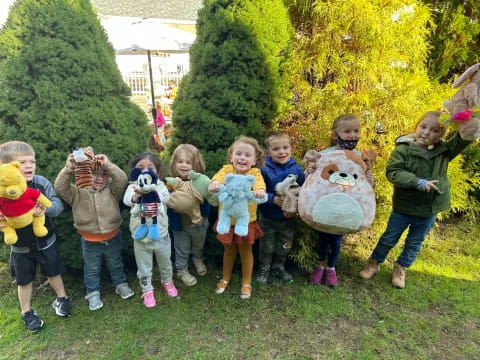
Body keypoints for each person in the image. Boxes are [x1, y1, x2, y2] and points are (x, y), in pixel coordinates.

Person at [359, 111, 473, 288]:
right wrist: (416, 181)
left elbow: (464, 137)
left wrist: (467, 120)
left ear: (442, 135)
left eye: (435, 130)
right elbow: (393, 172)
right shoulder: (403, 149)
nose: (427, 132)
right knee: (389, 237)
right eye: (423, 127)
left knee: (415, 241)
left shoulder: (444, 150)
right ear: (416, 127)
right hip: (404, 206)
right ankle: (374, 263)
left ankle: (401, 267)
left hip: (429, 208)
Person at [0, 141, 70, 332]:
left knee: (53, 270)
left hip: (45, 241)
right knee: (24, 280)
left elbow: (57, 205)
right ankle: (27, 312)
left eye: (32, 161)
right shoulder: (2, 189)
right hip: (20, 247)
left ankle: (62, 298)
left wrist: (44, 210)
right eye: (22, 162)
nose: (29, 165)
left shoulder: (40, 183)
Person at [55, 152, 133, 311]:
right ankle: (92, 292)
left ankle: (120, 283)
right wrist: (68, 169)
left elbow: (122, 179)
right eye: (94, 174)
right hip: (90, 241)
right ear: (85, 174)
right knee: (91, 268)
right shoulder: (77, 192)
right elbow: (60, 187)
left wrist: (108, 165)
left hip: (113, 237)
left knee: (115, 263)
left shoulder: (113, 190)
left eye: (104, 174)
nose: (99, 178)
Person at [309, 114, 374, 287]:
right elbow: (314, 180)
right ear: (335, 134)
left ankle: (331, 267)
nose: (353, 135)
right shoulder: (324, 155)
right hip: (326, 205)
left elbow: (366, 186)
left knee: (336, 241)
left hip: (346, 207)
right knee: (322, 239)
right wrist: (310, 169)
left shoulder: (360, 157)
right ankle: (320, 265)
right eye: (347, 131)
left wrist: (369, 176)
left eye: (356, 131)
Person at [208, 136, 266, 299]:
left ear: (254, 160)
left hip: (246, 222)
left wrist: (260, 190)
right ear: (231, 157)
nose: (242, 158)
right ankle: (225, 278)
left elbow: (260, 185)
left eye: (248, 155)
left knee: (246, 251)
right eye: (238, 154)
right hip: (227, 220)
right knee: (228, 250)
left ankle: (246, 282)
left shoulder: (254, 173)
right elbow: (217, 179)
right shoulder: (227, 170)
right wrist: (214, 184)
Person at [123, 152, 178, 308]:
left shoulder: (160, 185)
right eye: (140, 167)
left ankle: (167, 281)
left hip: (161, 235)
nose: (145, 170)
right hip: (140, 239)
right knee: (143, 267)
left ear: (157, 172)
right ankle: (147, 289)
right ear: (134, 171)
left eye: (150, 167)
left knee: (165, 262)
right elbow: (127, 200)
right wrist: (136, 196)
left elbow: (166, 198)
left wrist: (152, 192)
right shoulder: (132, 186)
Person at [256, 132, 305, 284]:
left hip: (288, 220)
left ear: (291, 148)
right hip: (268, 218)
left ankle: (279, 267)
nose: (282, 152)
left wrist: (297, 208)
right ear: (268, 152)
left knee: (285, 245)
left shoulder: (297, 169)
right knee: (267, 246)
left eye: (285, 147)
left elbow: (303, 190)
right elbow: (257, 192)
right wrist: (273, 199)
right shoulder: (264, 169)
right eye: (276, 149)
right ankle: (264, 268)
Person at [167, 144, 210, 286]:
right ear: (174, 164)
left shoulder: (200, 181)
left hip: (199, 223)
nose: (184, 165)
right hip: (181, 225)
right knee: (182, 249)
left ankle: (197, 258)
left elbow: (209, 200)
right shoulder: (170, 183)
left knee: (199, 244)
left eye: (188, 162)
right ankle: (182, 270)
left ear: (196, 164)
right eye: (180, 162)